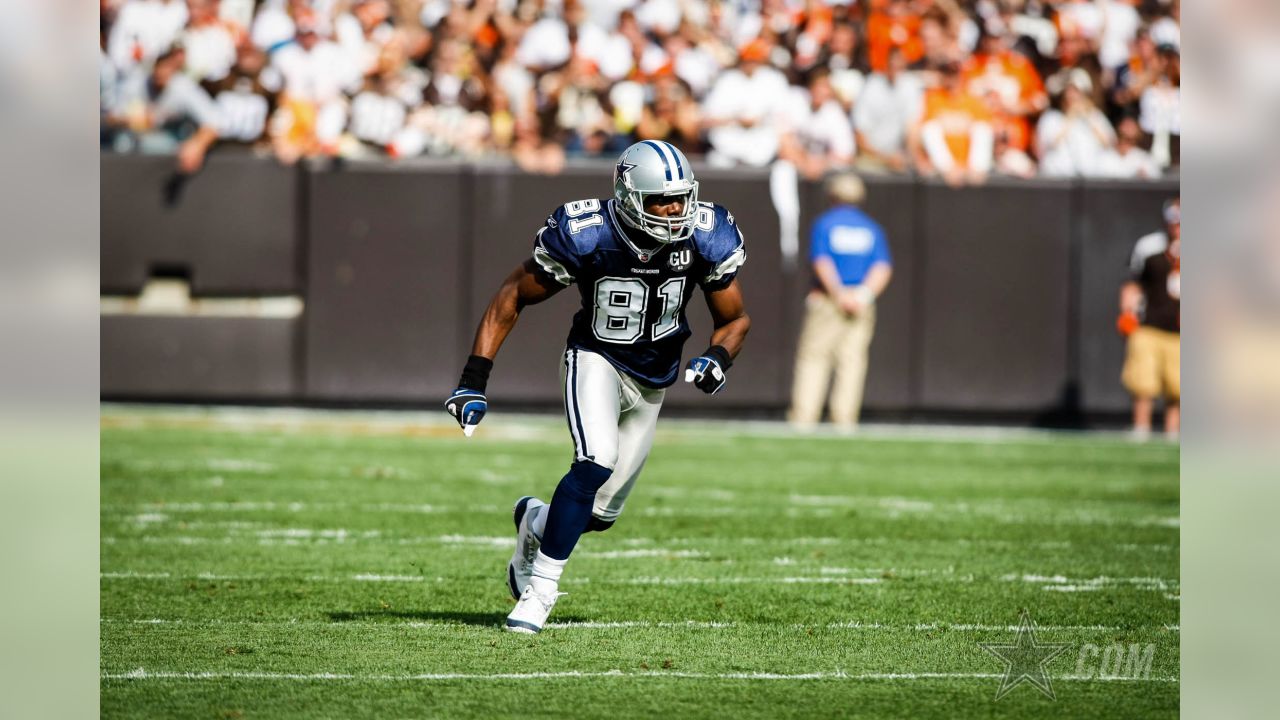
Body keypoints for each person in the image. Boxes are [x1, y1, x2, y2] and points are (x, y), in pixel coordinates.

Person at [444, 141, 750, 633]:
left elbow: (734, 320)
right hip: (597, 358)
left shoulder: (706, 235)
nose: (675, 211)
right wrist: (473, 381)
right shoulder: (588, 234)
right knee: (594, 462)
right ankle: (540, 590)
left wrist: (717, 358)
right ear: (629, 197)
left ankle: (535, 523)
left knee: (600, 514)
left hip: (655, 378)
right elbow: (511, 296)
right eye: (660, 200)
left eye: (681, 198)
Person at [787, 173, 892, 430]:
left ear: (832, 195)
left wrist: (838, 294)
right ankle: (844, 420)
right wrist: (863, 295)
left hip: (828, 300)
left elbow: (821, 261)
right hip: (860, 300)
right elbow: (882, 267)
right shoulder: (871, 227)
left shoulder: (825, 224)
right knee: (852, 361)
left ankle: (804, 417)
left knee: (814, 357)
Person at [1118, 198, 1180, 437]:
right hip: (1150, 324)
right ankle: (1141, 428)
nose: (1178, 228)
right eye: (1175, 223)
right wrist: (1127, 311)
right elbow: (1133, 283)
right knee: (1142, 381)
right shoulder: (1150, 246)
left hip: (1182, 329)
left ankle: (1173, 431)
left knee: (1178, 386)